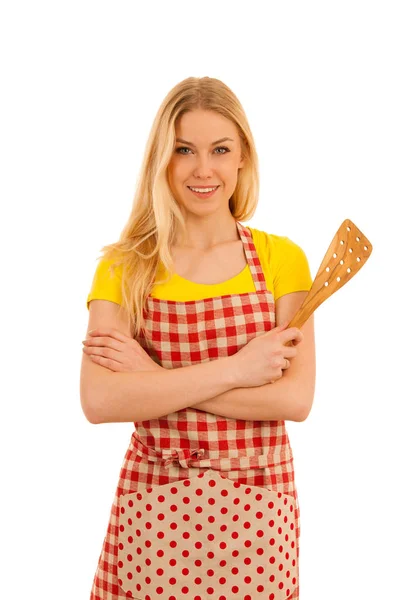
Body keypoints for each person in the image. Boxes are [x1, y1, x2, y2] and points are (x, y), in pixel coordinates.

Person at [81, 76, 316, 600]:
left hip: (259, 505)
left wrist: (154, 380)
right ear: (162, 160)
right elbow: (99, 401)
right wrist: (238, 370)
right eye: (184, 150)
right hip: (155, 503)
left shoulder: (283, 260)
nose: (203, 168)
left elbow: (294, 400)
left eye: (220, 149)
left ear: (242, 159)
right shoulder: (126, 267)